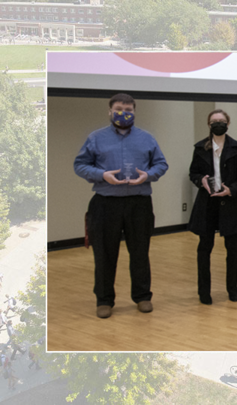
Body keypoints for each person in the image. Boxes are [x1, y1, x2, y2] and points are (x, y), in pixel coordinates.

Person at [74, 93, 168, 319]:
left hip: (139, 203)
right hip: (105, 204)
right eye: (118, 109)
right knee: (104, 255)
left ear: (135, 111)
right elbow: (80, 165)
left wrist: (147, 176)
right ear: (109, 111)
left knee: (140, 253)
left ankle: (143, 297)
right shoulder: (95, 138)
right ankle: (104, 300)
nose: (123, 113)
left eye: (128, 109)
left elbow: (161, 164)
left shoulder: (147, 138)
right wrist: (101, 175)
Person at [187, 109, 237, 305]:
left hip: (230, 203)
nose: (218, 124)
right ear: (209, 124)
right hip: (207, 204)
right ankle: (203, 292)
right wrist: (201, 180)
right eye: (214, 121)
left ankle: (232, 289)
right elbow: (193, 173)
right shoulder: (200, 148)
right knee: (204, 248)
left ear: (227, 124)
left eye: (222, 121)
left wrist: (231, 190)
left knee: (233, 250)